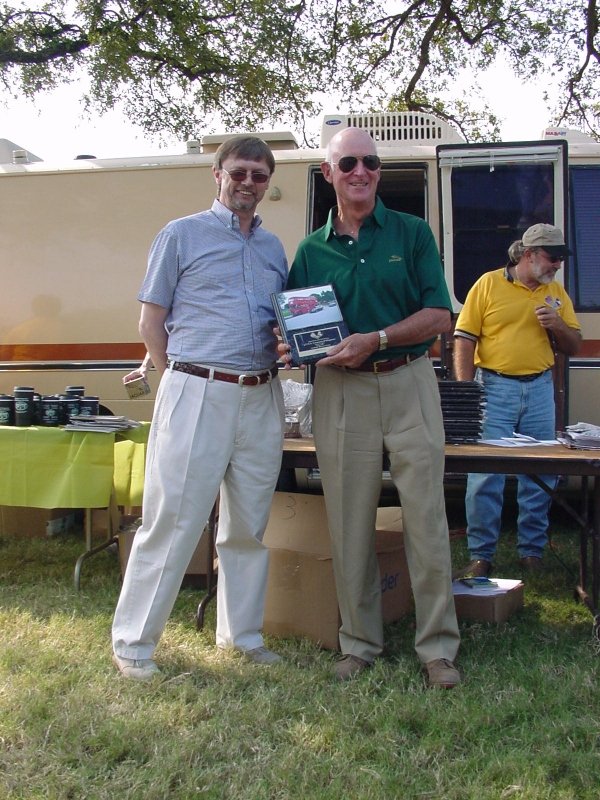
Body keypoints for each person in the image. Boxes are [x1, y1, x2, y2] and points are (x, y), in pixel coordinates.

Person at [286, 127, 461, 687]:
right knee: (348, 519)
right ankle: (360, 643)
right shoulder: (311, 251)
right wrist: (286, 341)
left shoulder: (411, 233)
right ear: (328, 173)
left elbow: (440, 316)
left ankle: (438, 650)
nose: (361, 172)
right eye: (349, 163)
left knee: (427, 518)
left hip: (408, 380)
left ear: (379, 172)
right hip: (340, 389)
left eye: (371, 163)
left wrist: (378, 339)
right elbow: (297, 325)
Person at [112, 135, 288, 680]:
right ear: (217, 174)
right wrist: (178, 381)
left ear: (266, 184)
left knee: (248, 526)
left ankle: (242, 637)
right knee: (172, 521)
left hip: (262, 394)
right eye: (239, 172)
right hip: (196, 389)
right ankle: (134, 646)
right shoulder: (180, 235)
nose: (248, 183)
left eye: (259, 176)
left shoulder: (274, 248)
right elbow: (150, 321)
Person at [453, 223, 582, 578]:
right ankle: (481, 555)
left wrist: (557, 324)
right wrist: (467, 392)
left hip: (539, 388)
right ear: (529, 255)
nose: (557, 265)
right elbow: (464, 338)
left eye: (560, 259)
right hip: (494, 388)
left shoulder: (556, 292)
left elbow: (574, 346)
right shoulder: (489, 284)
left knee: (541, 472)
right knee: (484, 475)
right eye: (553, 258)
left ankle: (531, 552)